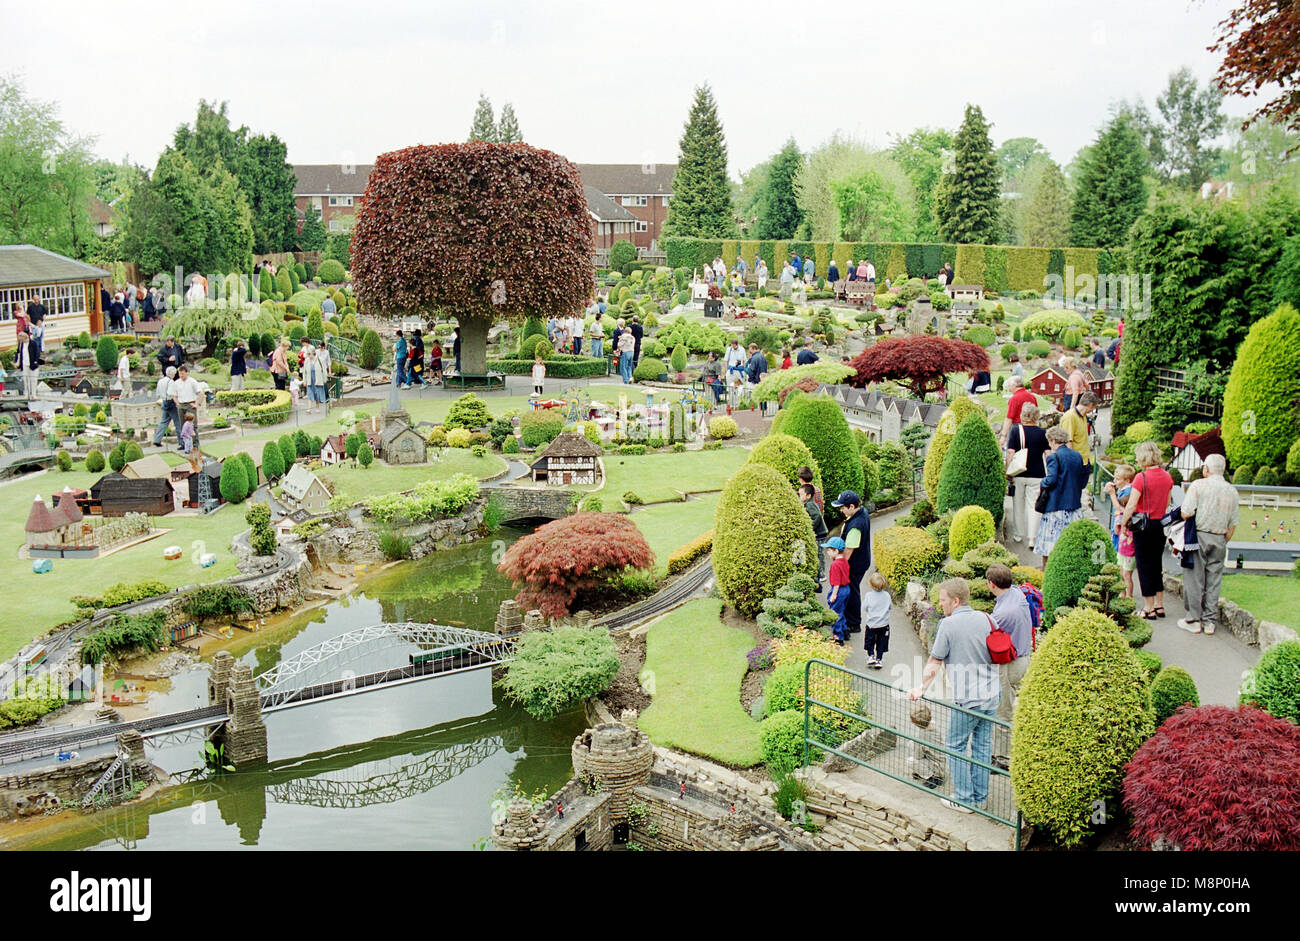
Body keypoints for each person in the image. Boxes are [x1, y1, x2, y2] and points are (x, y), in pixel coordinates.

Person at [909, 578, 1000, 813]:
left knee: (955, 745)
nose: (940, 605)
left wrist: (921, 688)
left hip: (968, 699)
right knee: (981, 746)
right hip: (991, 695)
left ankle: (964, 798)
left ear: (955, 601)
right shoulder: (986, 618)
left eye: (943, 600)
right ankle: (980, 798)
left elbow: (934, 661)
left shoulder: (948, 625)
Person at [1177, 454, 1239, 635]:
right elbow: (1233, 523)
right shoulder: (1232, 491)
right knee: (1213, 581)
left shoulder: (1198, 486)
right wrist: (1223, 539)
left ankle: (1193, 619)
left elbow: (1186, 512)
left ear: (1206, 469)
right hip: (1220, 537)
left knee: (1194, 578)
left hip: (1199, 536)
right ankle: (1209, 621)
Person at [1119, 441, 1175, 621]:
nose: (1136, 459)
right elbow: (1167, 503)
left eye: (1138, 456)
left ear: (1144, 457)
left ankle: (1148, 607)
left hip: (1143, 526)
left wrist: (1125, 524)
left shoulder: (1141, 478)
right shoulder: (1167, 477)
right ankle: (1159, 605)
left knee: (1144, 567)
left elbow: (1132, 504)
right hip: (1159, 525)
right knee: (1156, 565)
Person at [1033, 426, 1088, 566]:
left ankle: (1047, 575)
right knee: (1071, 544)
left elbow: (1051, 480)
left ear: (1054, 440)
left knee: (1049, 547)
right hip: (1074, 505)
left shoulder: (1054, 457)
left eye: (1050, 442)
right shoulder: (1077, 455)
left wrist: (1042, 482)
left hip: (1055, 506)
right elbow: (1082, 482)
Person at [987, 563, 1033, 725]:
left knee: (1004, 712)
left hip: (1011, 663)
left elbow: (987, 633)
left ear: (992, 584)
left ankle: (1002, 749)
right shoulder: (1016, 593)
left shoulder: (1002, 613)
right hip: (1025, 655)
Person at [1005, 403, 1049, 546]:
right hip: (1038, 474)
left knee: (1018, 504)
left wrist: (1008, 470)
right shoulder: (1043, 433)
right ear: (1036, 416)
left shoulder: (1015, 431)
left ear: (1023, 415)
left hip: (1019, 473)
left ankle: (1018, 535)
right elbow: (1048, 455)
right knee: (1033, 506)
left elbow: (1011, 452)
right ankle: (1032, 538)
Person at [834, 491, 871, 636]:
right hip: (863, 560)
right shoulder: (861, 512)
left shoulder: (856, 525)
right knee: (853, 590)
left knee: (852, 592)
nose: (841, 510)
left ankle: (854, 623)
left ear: (851, 506)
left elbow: (848, 552)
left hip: (856, 564)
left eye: (843, 507)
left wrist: (838, 566)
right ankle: (852, 620)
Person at [1104, 463, 1138, 598]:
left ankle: (1128, 594)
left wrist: (1112, 494)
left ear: (1128, 480)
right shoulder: (1123, 490)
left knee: (1126, 570)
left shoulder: (1129, 493)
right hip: (1119, 532)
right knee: (1119, 567)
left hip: (1126, 535)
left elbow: (1122, 510)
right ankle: (1122, 592)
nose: (1115, 481)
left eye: (1118, 479)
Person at [1059, 391, 1098, 470]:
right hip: (1075, 463)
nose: (1093, 410)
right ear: (1091, 405)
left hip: (1084, 461)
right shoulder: (1070, 417)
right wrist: (1071, 464)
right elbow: (1067, 442)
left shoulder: (1083, 416)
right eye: (1094, 407)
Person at [800, 483, 829, 588]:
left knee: (819, 553)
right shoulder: (808, 504)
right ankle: (819, 573)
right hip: (818, 533)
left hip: (820, 533)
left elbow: (816, 516)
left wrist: (809, 526)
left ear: (808, 496)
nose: (799, 497)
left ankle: (822, 574)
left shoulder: (810, 504)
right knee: (817, 553)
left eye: (801, 495)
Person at [823, 537, 851, 645]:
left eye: (829, 550)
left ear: (836, 551)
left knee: (835, 614)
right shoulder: (844, 561)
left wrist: (833, 595)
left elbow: (836, 583)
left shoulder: (835, 564)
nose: (828, 553)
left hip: (838, 590)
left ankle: (838, 637)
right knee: (841, 611)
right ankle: (845, 631)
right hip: (846, 589)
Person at [861, 572, 892, 669]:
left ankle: (871, 656)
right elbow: (890, 607)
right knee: (882, 642)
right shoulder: (887, 595)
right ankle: (879, 659)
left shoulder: (868, 596)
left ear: (870, 585)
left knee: (869, 640)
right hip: (884, 624)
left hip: (871, 624)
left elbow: (864, 607)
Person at [170, 365, 201, 452]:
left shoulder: (192, 382)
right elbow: (174, 395)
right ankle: (184, 444)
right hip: (181, 405)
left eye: (182, 374)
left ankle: (195, 444)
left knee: (193, 425)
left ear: (187, 373)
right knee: (182, 425)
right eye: (179, 374)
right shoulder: (176, 383)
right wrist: (177, 404)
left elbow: (200, 393)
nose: (181, 376)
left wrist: (197, 404)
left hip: (190, 404)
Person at [1000, 375, 1036, 444]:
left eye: (1009, 385)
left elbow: (1009, 418)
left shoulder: (1014, 398)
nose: (1009, 388)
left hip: (1018, 428)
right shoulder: (1032, 397)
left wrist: (1003, 435)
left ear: (1015, 385)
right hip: (1032, 427)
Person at [151, 366, 180, 445]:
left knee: (163, 422)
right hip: (171, 402)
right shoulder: (171, 382)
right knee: (177, 422)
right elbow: (171, 393)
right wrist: (177, 403)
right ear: (173, 374)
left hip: (164, 401)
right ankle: (181, 441)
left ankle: (157, 440)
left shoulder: (160, 381)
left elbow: (157, 393)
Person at [744, 343, 768, 415]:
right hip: (763, 379)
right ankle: (764, 411)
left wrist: (750, 378)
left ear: (753, 348)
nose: (749, 351)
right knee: (763, 397)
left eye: (750, 349)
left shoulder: (754, 358)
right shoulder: (763, 357)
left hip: (756, 381)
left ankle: (758, 412)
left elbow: (751, 371)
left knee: (756, 397)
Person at [16, 331, 40, 399]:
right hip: (24, 364)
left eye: (22, 340)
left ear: (25, 338)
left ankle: (33, 394)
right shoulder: (21, 344)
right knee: (26, 380)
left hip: (32, 364)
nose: (21, 341)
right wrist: (17, 363)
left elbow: (37, 353)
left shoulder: (33, 343)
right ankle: (26, 394)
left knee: (33, 380)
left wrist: (35, 361)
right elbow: (18, 353)